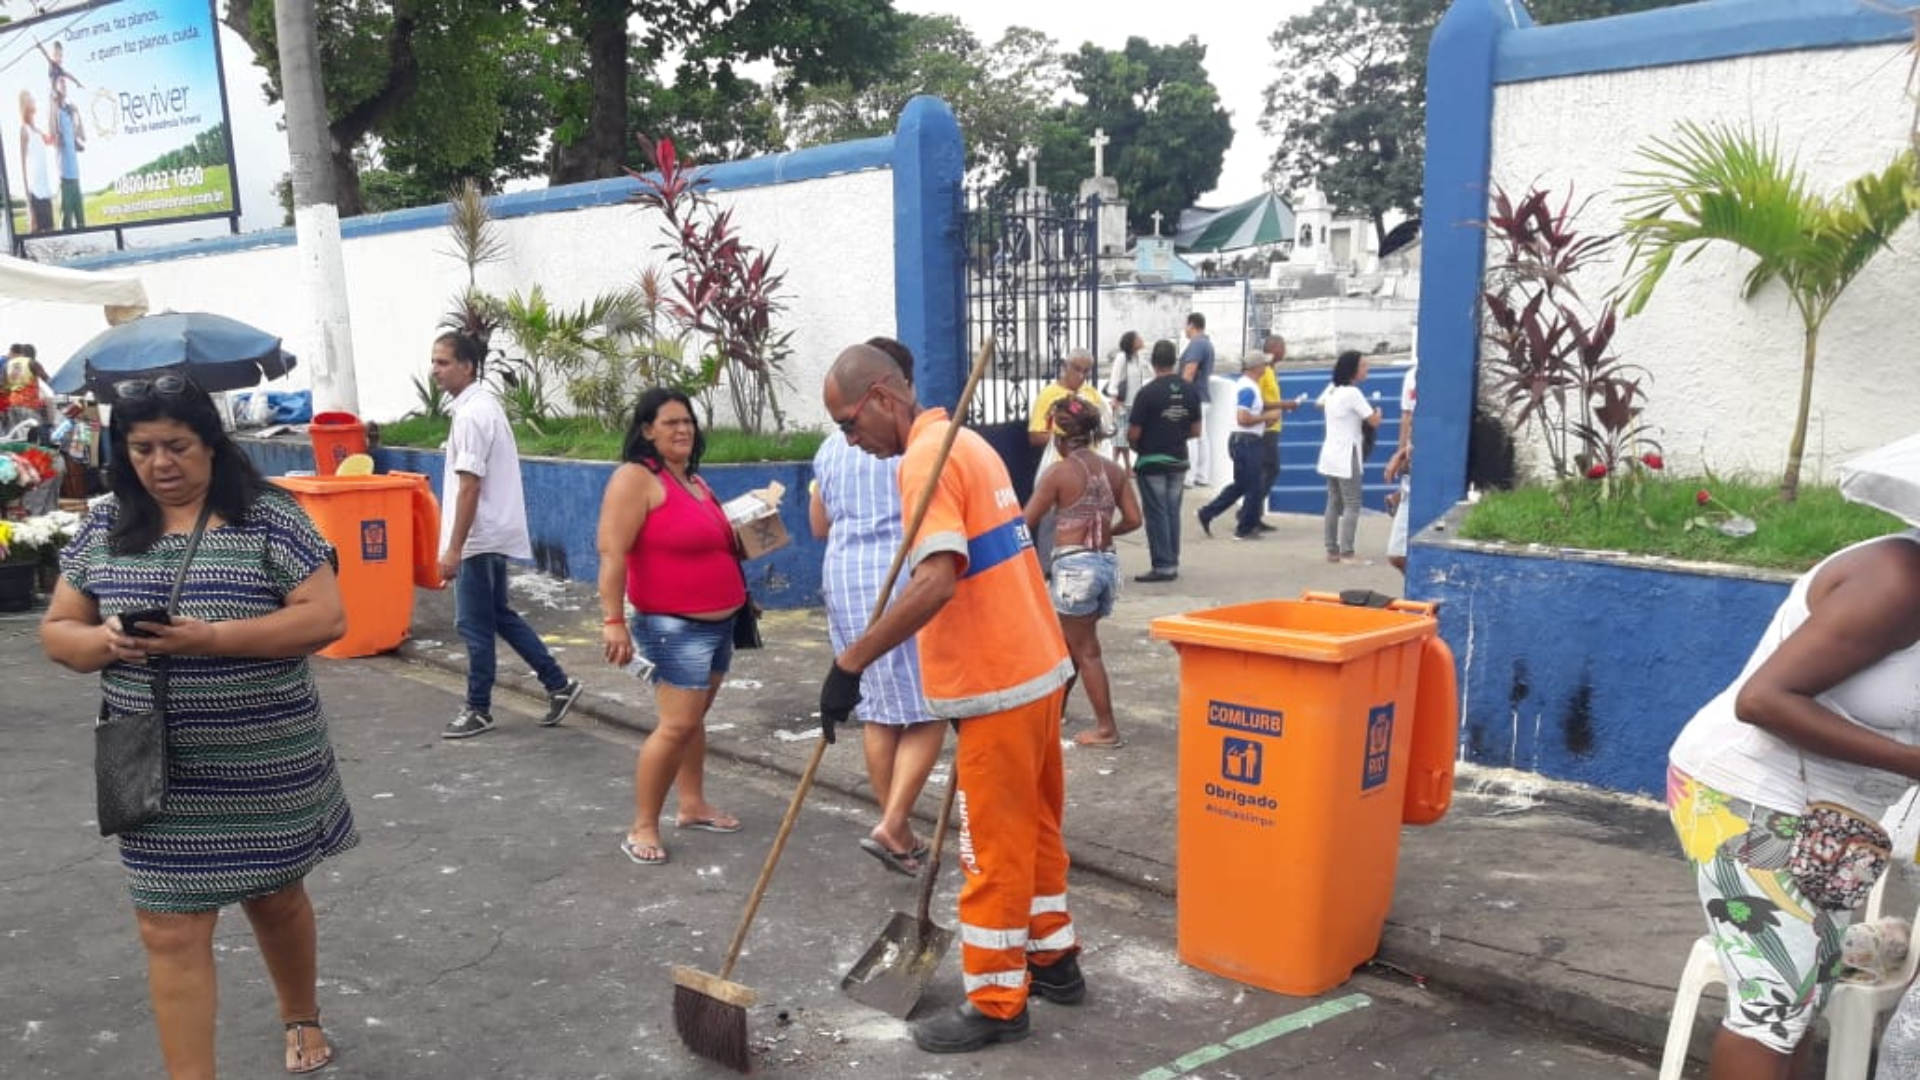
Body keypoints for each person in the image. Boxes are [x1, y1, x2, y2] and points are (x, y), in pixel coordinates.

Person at [39, 373, 358, 1077]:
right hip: (152, 770)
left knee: (274, 896)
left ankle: (299, 1011)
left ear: (212, 445)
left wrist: (209, 639)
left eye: (177, 446)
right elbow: (60, 631)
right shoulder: (105, 525)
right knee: (167, 927)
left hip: (266, 758)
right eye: (144, 447)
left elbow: (325, 618)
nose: (161, 464)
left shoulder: (271, 519)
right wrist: (107, 643)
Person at [819, 342, 1080, 1055]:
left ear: (880, 396)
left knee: (991, 848)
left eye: (847, 422)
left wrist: (852, 662)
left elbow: (935, 580)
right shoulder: (968, 442)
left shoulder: (923, 461)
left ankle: (998, 999)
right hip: (1037, 667)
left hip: (998, 680)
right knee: (1036, 829)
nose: (851, 441)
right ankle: (1054, 960)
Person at [1666, 507, 1920, 1080]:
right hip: (1746, 794)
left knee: (1802, 999)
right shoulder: (1896, 579)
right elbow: (1763, 700)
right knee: (1773, 1006)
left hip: (1835, 827)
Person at [809, 335, 943, 875]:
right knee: (927, 708)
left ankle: (897, 827)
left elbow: (820, 525)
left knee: (879, 712)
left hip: (843, 577)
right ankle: (893, 822)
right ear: (896, 390)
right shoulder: (914, 447)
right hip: (898, 577)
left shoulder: (828, 449)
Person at [596, 387, 745, 867]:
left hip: (722, 622)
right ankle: (643, 824)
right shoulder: (635, 479)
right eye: (671, 422)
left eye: (688, 422)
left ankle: (692, 803)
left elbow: (718, 546)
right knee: (677, 724)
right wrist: (613, 620)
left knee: (692, 720)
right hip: (672, 627)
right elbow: (612, 552)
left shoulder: (695, 482)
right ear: (646, 430)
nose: (683, 430)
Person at [431, 331, 582, 739]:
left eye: (443, 362)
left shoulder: (472, 415)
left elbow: (469, 486)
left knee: (472, 625)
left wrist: (454, 548)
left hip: (478, 538)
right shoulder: (481, 407)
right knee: (498, 615)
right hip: (490, 532)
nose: (436, 371)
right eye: (435, 362)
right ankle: (559, 683)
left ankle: (478, 708)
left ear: (468, 366)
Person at [1024, 394, 1141, 749]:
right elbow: (1134, 520)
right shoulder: (1115, 470)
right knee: (1070, 643)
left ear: (1060, 438)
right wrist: (1106, 532)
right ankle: (1052, 711)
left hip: (1075, 567)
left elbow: (1025, 522)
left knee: (1084, 649)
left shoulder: (1058, 472)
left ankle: (1107, 728)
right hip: (1105, 565)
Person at [1027, 348, 1110, 568]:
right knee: (1051, 524)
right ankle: (1047, 569)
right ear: (1065, 366)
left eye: (1086, 371)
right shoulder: (1049, 396)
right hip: (1057, 468)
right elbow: (1035, 436)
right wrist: (1065, 435)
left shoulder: (1091, 395)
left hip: (1087, 472)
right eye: (1076, 369)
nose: (1081, 376)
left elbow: (1102, 428)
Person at [1129, 340, 1200, 583]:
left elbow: (1134, 433)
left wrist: (1140, 447)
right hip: (1179, 460)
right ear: (1175, 362)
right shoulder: (1190, 391)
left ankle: (1164, 565)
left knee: (1157, 514)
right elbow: (1196, 430)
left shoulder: (1147, 393)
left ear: (1152, 363)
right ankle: (1172, 559)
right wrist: (1175, 436)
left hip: (1152, 462)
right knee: (1172, 512)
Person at [1197, 350, 1283, 542]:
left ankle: (1209, 512)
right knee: (1254, 486)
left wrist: (1265, 419)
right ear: (1256, 367)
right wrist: (1267, 417)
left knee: (1242, 485)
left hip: (1243, 441)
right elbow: (1243, 418)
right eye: (1264, 364)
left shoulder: (1247, 386)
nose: (1267, 367)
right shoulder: (1249, 389)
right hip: (1247, 441)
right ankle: (1244, 528)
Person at [1315, 350, 1380, 565]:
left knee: (1334, 501)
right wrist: (1378, 412)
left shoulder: (1333, 391)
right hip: (1346, 452)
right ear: (1353, 370)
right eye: (1363, 366)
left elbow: (1319, 403)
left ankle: (1331, 550)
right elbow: (1373, 421)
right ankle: (1348, 552)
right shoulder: (1353, 394)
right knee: (1352, 503)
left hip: (1330, 452)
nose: (1366, 370)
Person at [1253, 334, 1304, 533]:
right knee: (1270, 470)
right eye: (1283, 347)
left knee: (1268, 471)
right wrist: (1285, 404)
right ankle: (1251, 512)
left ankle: (1254, 513)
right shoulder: (1264, 371)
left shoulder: (1272, 371)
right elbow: (1260, 403)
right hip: (1266, 427)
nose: (1285, 351)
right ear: (1274, 349)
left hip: (1273, 426)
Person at [1385, 361, 1418, 573]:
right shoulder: (1411, 376)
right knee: (1397, 554)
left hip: (1427, 465)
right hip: (1411, 463)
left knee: (1400, 553)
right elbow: (1406, 417)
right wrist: (1401, 455)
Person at [1100, 331, 1149, 471]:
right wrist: (1114, 399)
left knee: (1125, 438)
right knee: (1121, 437)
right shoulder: (1122, 357)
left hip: (1136, 403)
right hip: (1122, 403)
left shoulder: (1139, 357)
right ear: (1132, 342)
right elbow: (1114, 379)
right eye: (1138, 338)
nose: (1141, 339)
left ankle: (1120, 466)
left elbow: (1150, 369)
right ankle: (1122, 467)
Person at [1178, 312, 1215, 487]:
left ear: (1192, 325)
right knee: (1201, 437)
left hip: (1192, 397)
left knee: (1191, 436)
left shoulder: (1197, 344)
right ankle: (1201, 475)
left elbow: (1190, 371)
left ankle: (1188, 477)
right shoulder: (1206, 343)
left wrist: (1179, 394)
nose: (1184, 329)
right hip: (1201, 396)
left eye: (1186, 325)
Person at [17, 89, 53, 233]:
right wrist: (29, 204)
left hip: (46, 193)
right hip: (35, 195)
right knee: (36, 237)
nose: (33, 100)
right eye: (30, 99)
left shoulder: (38, 131)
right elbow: (23, 167)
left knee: (52, 236)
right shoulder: (24, 130)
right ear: (24, 105)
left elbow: (53, 139)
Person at [53, 80, 83, 231]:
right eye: (61, 83)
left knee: (82, 224)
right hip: (65, 178)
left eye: (65, 83)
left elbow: (82, 136)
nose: (64, 84)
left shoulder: (69, 112)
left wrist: (77, 113)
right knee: (66, 226)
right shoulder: (55, 111)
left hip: (76, 177)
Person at [5, 342, 54, 430]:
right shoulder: (32, 363)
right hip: (28, 405)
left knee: (15, 436)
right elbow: (47, 380)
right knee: (35, 434)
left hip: (12, 405)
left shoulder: (9, 364)